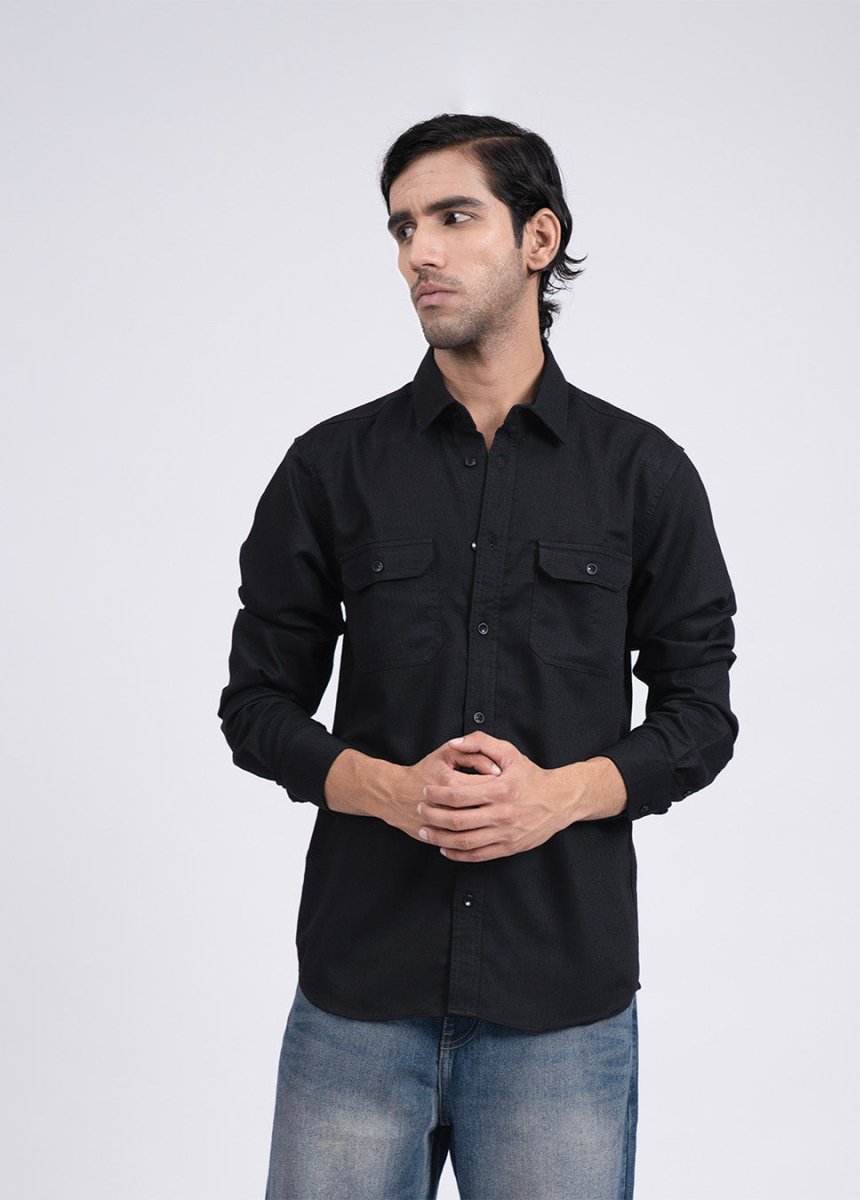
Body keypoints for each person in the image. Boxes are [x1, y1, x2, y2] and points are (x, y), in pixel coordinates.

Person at [218, 112, 737, 1200]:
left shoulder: (643, 474)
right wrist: (386, 789)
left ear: (539, 238)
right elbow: (257, 705)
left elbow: (699, 716)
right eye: (403, 226)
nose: (421, 251)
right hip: (360, 998)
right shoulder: (330, 469)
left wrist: (560, 797)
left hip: (561, 1005)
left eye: (454, 217)